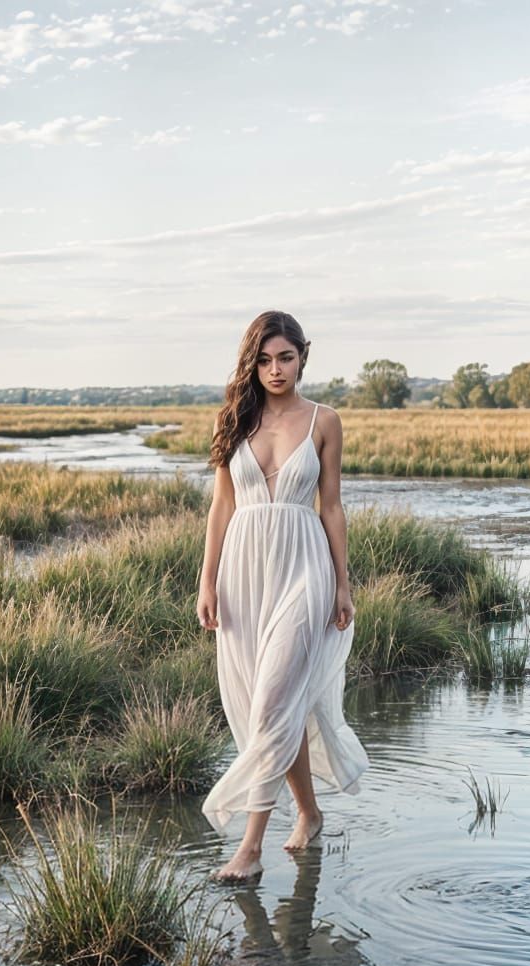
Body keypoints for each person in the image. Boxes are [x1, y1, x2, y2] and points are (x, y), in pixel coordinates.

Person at [197, 310, 369, 882]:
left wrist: (343, 584)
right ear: (253, 362)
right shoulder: (234, 421)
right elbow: (221, 507)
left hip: (304, 569)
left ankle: (250, 846)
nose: (276, 370)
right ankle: (309, 813)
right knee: (272, 706)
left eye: (286, 358)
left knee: (273, 700)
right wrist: (206, 580)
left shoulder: (325, 420)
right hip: (243, 576)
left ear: (303, 356)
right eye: (265, 359)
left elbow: (332, 507)